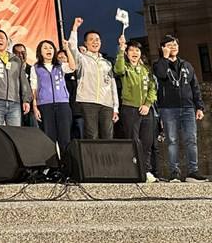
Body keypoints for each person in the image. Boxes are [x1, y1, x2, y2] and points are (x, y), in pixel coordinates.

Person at [153, 35, 206, 182]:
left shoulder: (187, 65)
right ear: (163, 48)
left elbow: (194, 86)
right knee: (172, 140)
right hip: (168, 108)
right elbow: (161, 74)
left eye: (175, 44)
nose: (173, 47)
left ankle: (193, 171)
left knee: (191, 139)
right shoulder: (159, 64)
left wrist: (199, 106)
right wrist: (164, 58)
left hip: (188, 107)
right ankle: (174, 172)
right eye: (169, 45)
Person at [113, 36, 157, 183]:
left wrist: (147, 104)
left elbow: (152, 88)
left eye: (137, 50)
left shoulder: (146, 69)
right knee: (133, 141)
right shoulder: (125, 67)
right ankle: (134, 170)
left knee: (147, 141)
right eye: (131, 50)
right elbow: (117, 69)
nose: (134, 52)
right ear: (127, 52)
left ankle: (146, 170)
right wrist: (120, 49)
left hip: (146, 109)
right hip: (130, 109)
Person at [67, 17, 119, 139]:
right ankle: (93, 158)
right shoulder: (82, 59)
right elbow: (72, 47)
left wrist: (115, 107)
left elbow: (112, 86)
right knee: (92, 135)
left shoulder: (107, 63)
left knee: (108, 135)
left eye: (97, 40)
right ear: (85, 43)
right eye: (91, 40)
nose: (95, 42)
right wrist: (75, 28)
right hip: (88, 102)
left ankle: (107, 158)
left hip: (106, 104)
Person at [30, 40, 75, 157]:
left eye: (50, 47)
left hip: (63, 104)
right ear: (40, 51)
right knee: (49, 138)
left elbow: (73, 67)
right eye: (45, 48)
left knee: (65, 138)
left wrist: (67, 49)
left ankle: (66, 168)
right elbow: (33, 88)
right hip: (45, 105)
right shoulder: (35, 68)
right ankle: (52, 168)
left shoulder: (60, 65)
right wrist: (35, 107)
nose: (48, 50)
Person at [13, 44, 38, 128]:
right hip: (15, 107)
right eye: (17, 53)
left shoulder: (33, 69)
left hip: (31, 107)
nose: (20, 55)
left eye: (23, 53)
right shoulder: (10, 71)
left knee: (34, 133)